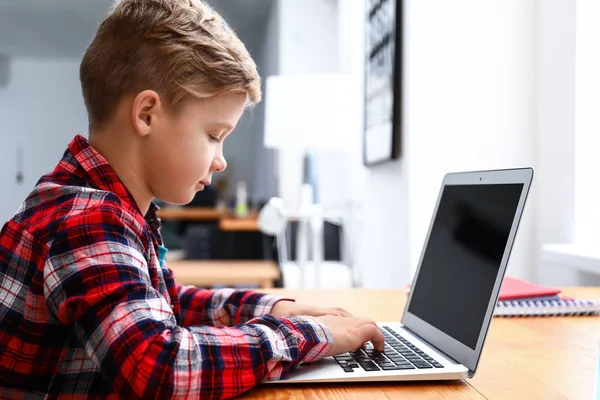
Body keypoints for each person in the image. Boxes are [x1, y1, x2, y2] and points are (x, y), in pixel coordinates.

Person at [0, 0, 384, 398]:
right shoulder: (86, 219)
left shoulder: (107, 206)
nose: (220, 161)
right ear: (147, 114)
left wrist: (270, 310)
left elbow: (160, 306)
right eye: (214, 135)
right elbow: (160, 365)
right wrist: (302, 335)